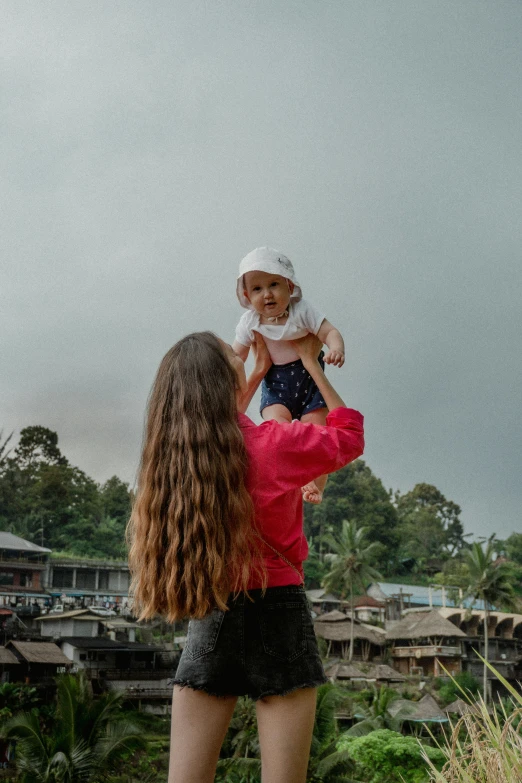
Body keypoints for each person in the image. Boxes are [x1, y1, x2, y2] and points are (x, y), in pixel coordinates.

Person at [128, 330, 364, 783]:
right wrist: (312, 364)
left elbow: (218, 430)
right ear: (225, 378)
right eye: (231, 353)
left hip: (212, 612)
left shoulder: (178, 465)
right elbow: (349, 435)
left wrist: (254, 374)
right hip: (279, 614)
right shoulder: (275, 444)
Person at [233, 246, 345, 504]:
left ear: (290, 287)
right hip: (276, 384)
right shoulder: (250, 322)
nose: (268, 294)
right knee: (277, 430)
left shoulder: (302, 311)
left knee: (318, 436)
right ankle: (294, 475)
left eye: (274, 284)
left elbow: (330, 332)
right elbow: (237, 356)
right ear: (247, 296)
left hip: (309, 382)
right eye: (258, 289)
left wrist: (335, 348)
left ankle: (316, 485)